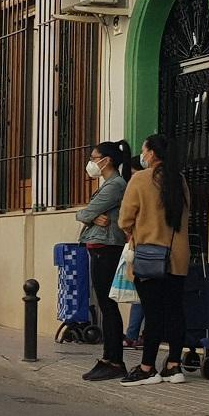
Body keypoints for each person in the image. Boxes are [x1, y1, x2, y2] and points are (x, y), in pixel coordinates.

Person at [118, 134, 191, 386]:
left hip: (150, 257)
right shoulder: (179, 180)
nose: (142, 155)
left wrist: (136, 231)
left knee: (153, 312)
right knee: (174, 311)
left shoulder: (140, 179)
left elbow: (125, 219)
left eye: (144, 150)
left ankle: (147, 366)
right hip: (178, 258)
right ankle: (174, 365)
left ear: (151, 154)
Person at [77, 140, 132, 382]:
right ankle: (109, 357)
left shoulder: (114, 186)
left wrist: (88, 215)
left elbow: (85, 213)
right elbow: (88, 214)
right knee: (105, 305)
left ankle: (115, 359)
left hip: (106, 249)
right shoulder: (109, 185)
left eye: (93, 157)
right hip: (99, 247)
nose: (91, 162)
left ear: (106, 160)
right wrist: (89, 215)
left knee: (108, 306)